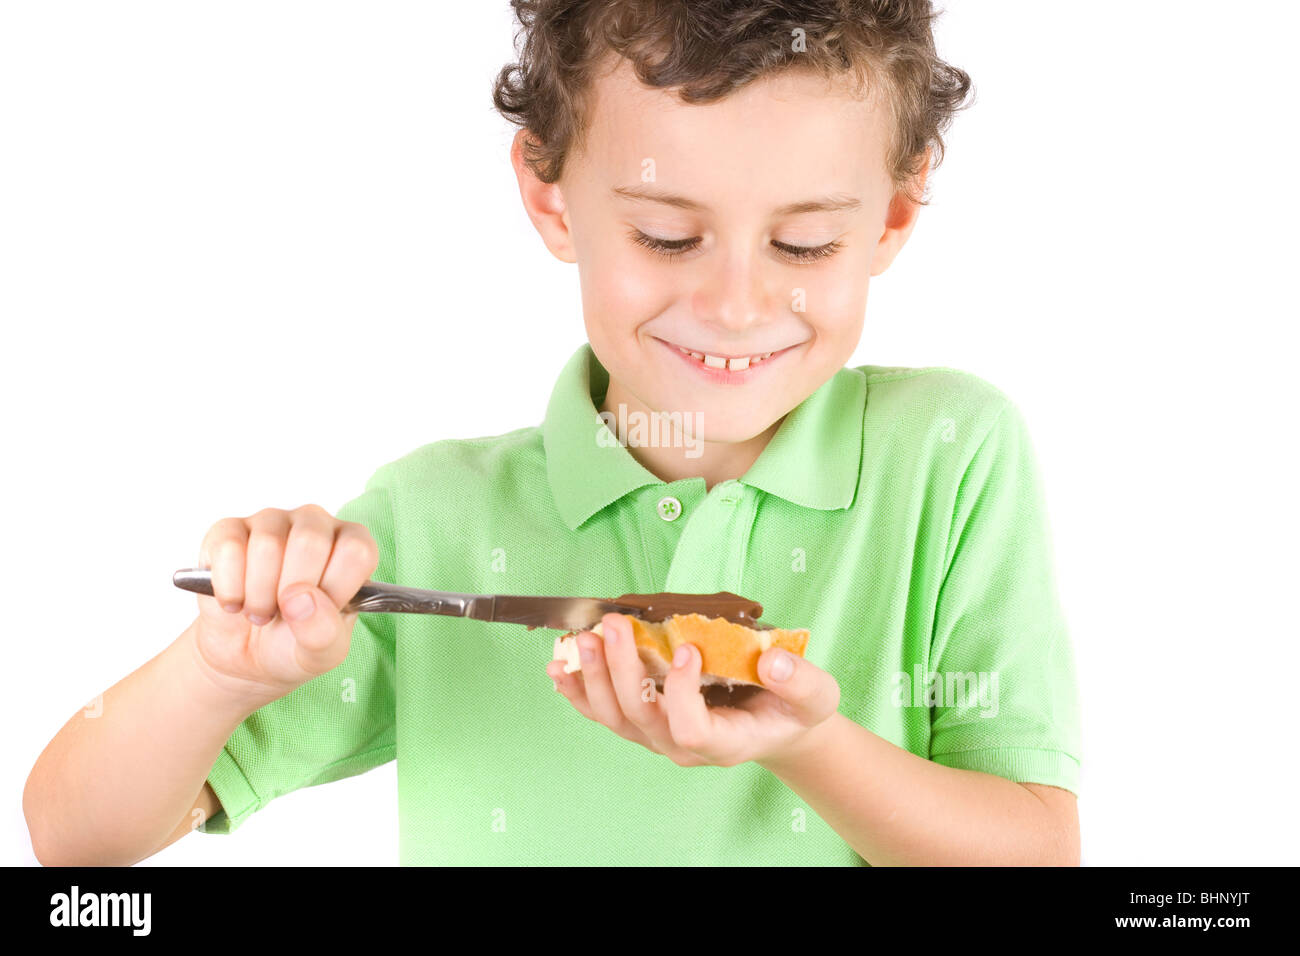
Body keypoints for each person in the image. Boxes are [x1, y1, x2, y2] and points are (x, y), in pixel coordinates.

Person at [24, 0, 1081, 865]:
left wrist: (809, 742)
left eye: (804, 244)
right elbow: (73, 838)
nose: (734, 302)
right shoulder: (434, 521)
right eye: (667, 236)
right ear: (549, 194)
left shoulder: (948, 455)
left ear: (893, 214)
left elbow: (1036, 853)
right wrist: (221, 671)